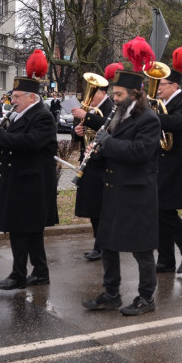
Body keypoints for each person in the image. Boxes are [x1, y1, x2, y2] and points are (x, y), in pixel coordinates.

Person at [83, 38, 162, 316]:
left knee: (141, 249)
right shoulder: (117, 115)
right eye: (113, 94)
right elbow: (113, 149)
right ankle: (111, 293)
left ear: (133, 94)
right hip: (114, 189)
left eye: (117, 94)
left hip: (136, 192)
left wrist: (107, 142)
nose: (113, 99)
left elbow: (140, 152)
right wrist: (97, 152)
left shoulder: (148, 119)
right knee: (107, 244)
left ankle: (146, 297)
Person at [0, 50, 58, 290]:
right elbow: (10, 144)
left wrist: (2, 136)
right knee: (30, 230)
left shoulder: (43, 116)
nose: (12, 100)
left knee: (21, 230)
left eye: (16, 97)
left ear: (31, 97)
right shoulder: (17, 116)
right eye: (12, 96)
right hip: (17, 180)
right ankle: (41, 272)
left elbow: (31, 142)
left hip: (31, 183)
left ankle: (18, 275)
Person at [153, 46, 182, 274]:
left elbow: (176, 123)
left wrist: (154, 116)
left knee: (166, 211)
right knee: (159, 211)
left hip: (177, 164)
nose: (158, 88)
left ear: (174, 86)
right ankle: (165, 260)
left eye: (162, 85)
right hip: (163, 164)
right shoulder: (163, 104)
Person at [72, 62, 121, 261]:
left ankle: (102, 246)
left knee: (101, 209)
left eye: (93, 91)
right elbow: (80, 132)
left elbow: (112, 127)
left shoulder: (111, 106)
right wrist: (76, 132)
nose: (89, 95)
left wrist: (88, 117)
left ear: (102, 93)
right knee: (92, 208)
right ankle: (98, 244)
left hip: (104, 164)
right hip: (89, 162)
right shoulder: (89, 109)